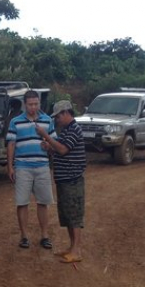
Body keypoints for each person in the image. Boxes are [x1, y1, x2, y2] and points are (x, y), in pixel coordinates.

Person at [36, 100, 86, 265]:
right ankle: (72, 248)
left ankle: (76, 250)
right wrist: (50, 147)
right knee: (67, 216)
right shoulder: (67, 130)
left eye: (57, 117)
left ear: (65, 113)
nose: (56, 120)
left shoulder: (73, 130)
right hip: (65, 179)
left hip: (72, 179)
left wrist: (45, 136)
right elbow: (61, 149)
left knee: (74, 216)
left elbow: (63, 149)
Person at [6, 90, 56, 250]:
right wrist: (10, 166)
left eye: (36, 104)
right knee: (22, 203)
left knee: (43, 202)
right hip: (22, 167)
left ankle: (45, 235)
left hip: (42, 166)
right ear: (25, 104)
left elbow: (53, 144)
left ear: (39, 103)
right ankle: (24, 236)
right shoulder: (15, 122)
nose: (33, 107)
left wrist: (48, 145)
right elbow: (11, 144)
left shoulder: (48, 121)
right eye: (30, 104)